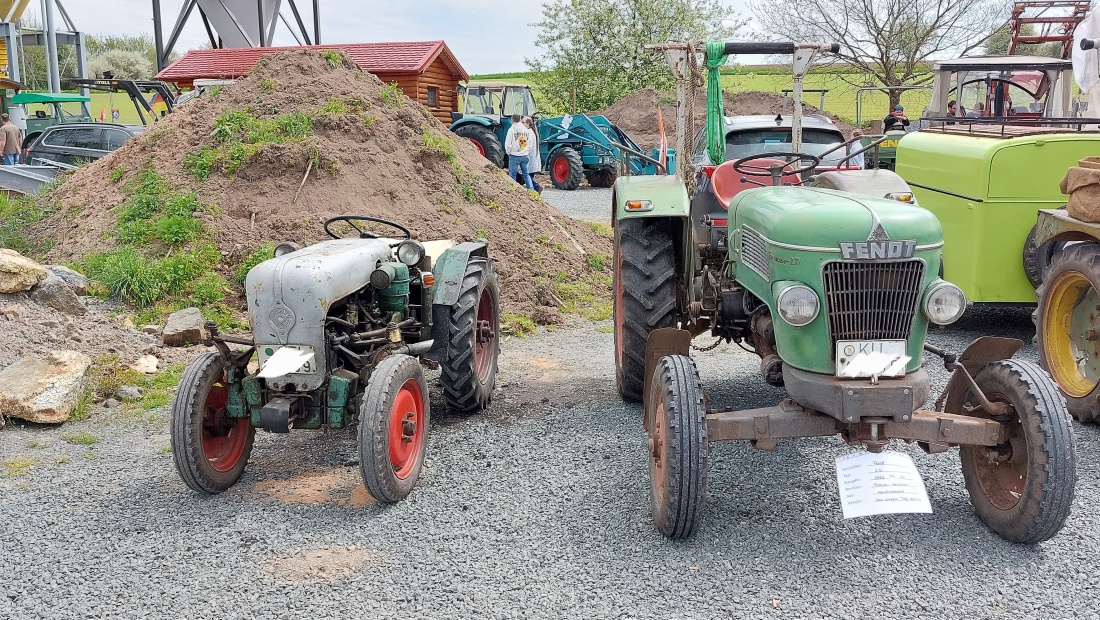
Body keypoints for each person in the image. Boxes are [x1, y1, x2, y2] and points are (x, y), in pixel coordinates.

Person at [504, 114, 535, 191]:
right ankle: (531, 190)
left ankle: (513, 191)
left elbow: (508, 144)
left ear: (512, 120)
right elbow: (530, 143)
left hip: (514, 155)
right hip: (525, 155)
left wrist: (509, 152)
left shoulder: (511, 130)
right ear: (520, 119)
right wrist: (526, 151)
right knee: (526, 174)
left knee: (512, 175)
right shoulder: (526, 130)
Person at [514, 116, 543, 193]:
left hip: (527, 157)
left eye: (522, 122)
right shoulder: (532, 132)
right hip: (532, 158)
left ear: (527, 124)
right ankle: (533, 192)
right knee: (529, 175)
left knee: (525, 174)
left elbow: (523, 145)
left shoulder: (527, 132)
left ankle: (537, 187)